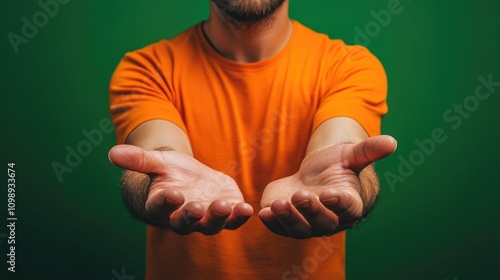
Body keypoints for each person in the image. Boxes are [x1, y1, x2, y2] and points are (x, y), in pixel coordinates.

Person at [107, 0, 397, 279]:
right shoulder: (146, 69)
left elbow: (341, 145)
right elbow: (157, 151)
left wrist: (349, 179)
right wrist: (156, 181)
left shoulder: (348, 66)